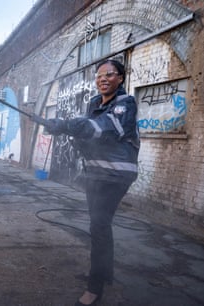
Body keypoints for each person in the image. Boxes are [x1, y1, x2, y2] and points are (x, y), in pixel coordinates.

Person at [30, 59, 140, 306]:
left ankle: (95, 286)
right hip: (96, 174)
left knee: (99, 227)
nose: (103, 79)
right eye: (99, 75)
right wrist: (62, 130)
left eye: (109, 74)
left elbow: (103, 129)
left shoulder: (125, 104)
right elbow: (88, 135)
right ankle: (103, 274)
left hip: (116, 176)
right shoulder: (94, 103)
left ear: (120, 78)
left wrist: (67, 125)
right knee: (99, 226)